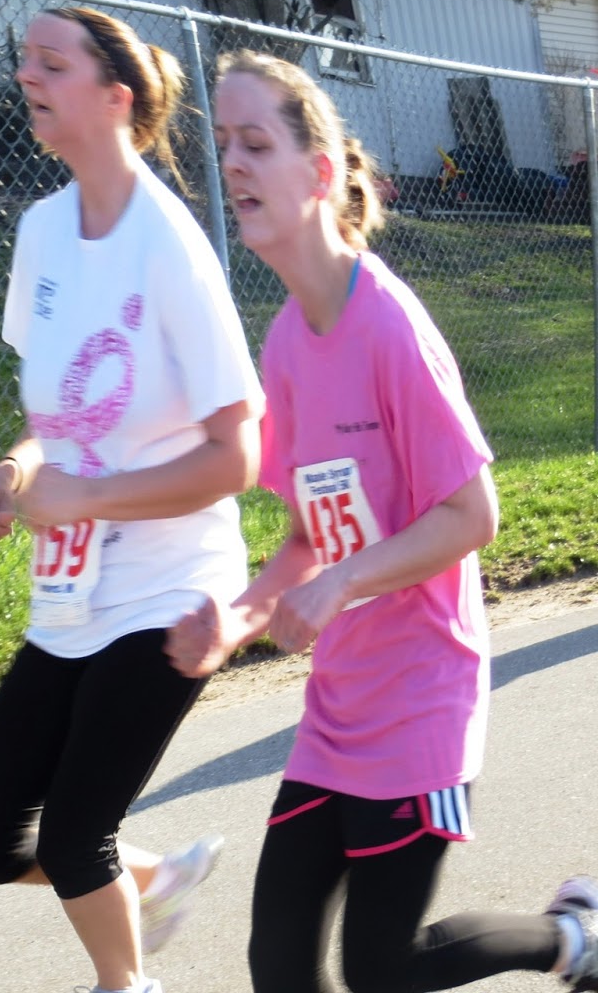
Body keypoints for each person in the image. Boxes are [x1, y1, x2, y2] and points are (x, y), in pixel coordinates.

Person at [166, 49, 598, 993]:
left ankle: (573, 936)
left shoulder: (390, 326)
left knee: (383, 970)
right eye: (223, 143)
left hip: (422, 702)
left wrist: (344, 582)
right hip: (339, 707)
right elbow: (309, 532)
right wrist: (236, 621)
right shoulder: (285, 339)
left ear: (319, 175)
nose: (231, 163)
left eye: (255, 142)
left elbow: (472, 514)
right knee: (278, 967)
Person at [0, 6, 263, 993]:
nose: (26, 73)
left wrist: (90, 498)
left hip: (173, 587)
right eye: (23, 57)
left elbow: (235, 455)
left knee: (79, 833)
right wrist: (12, 475)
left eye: (51, 61)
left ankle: (126, 984)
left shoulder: (169, 246)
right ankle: (152, 879)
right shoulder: (42, 230)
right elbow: (61, 418)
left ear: (115, 98)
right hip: (71, 593)